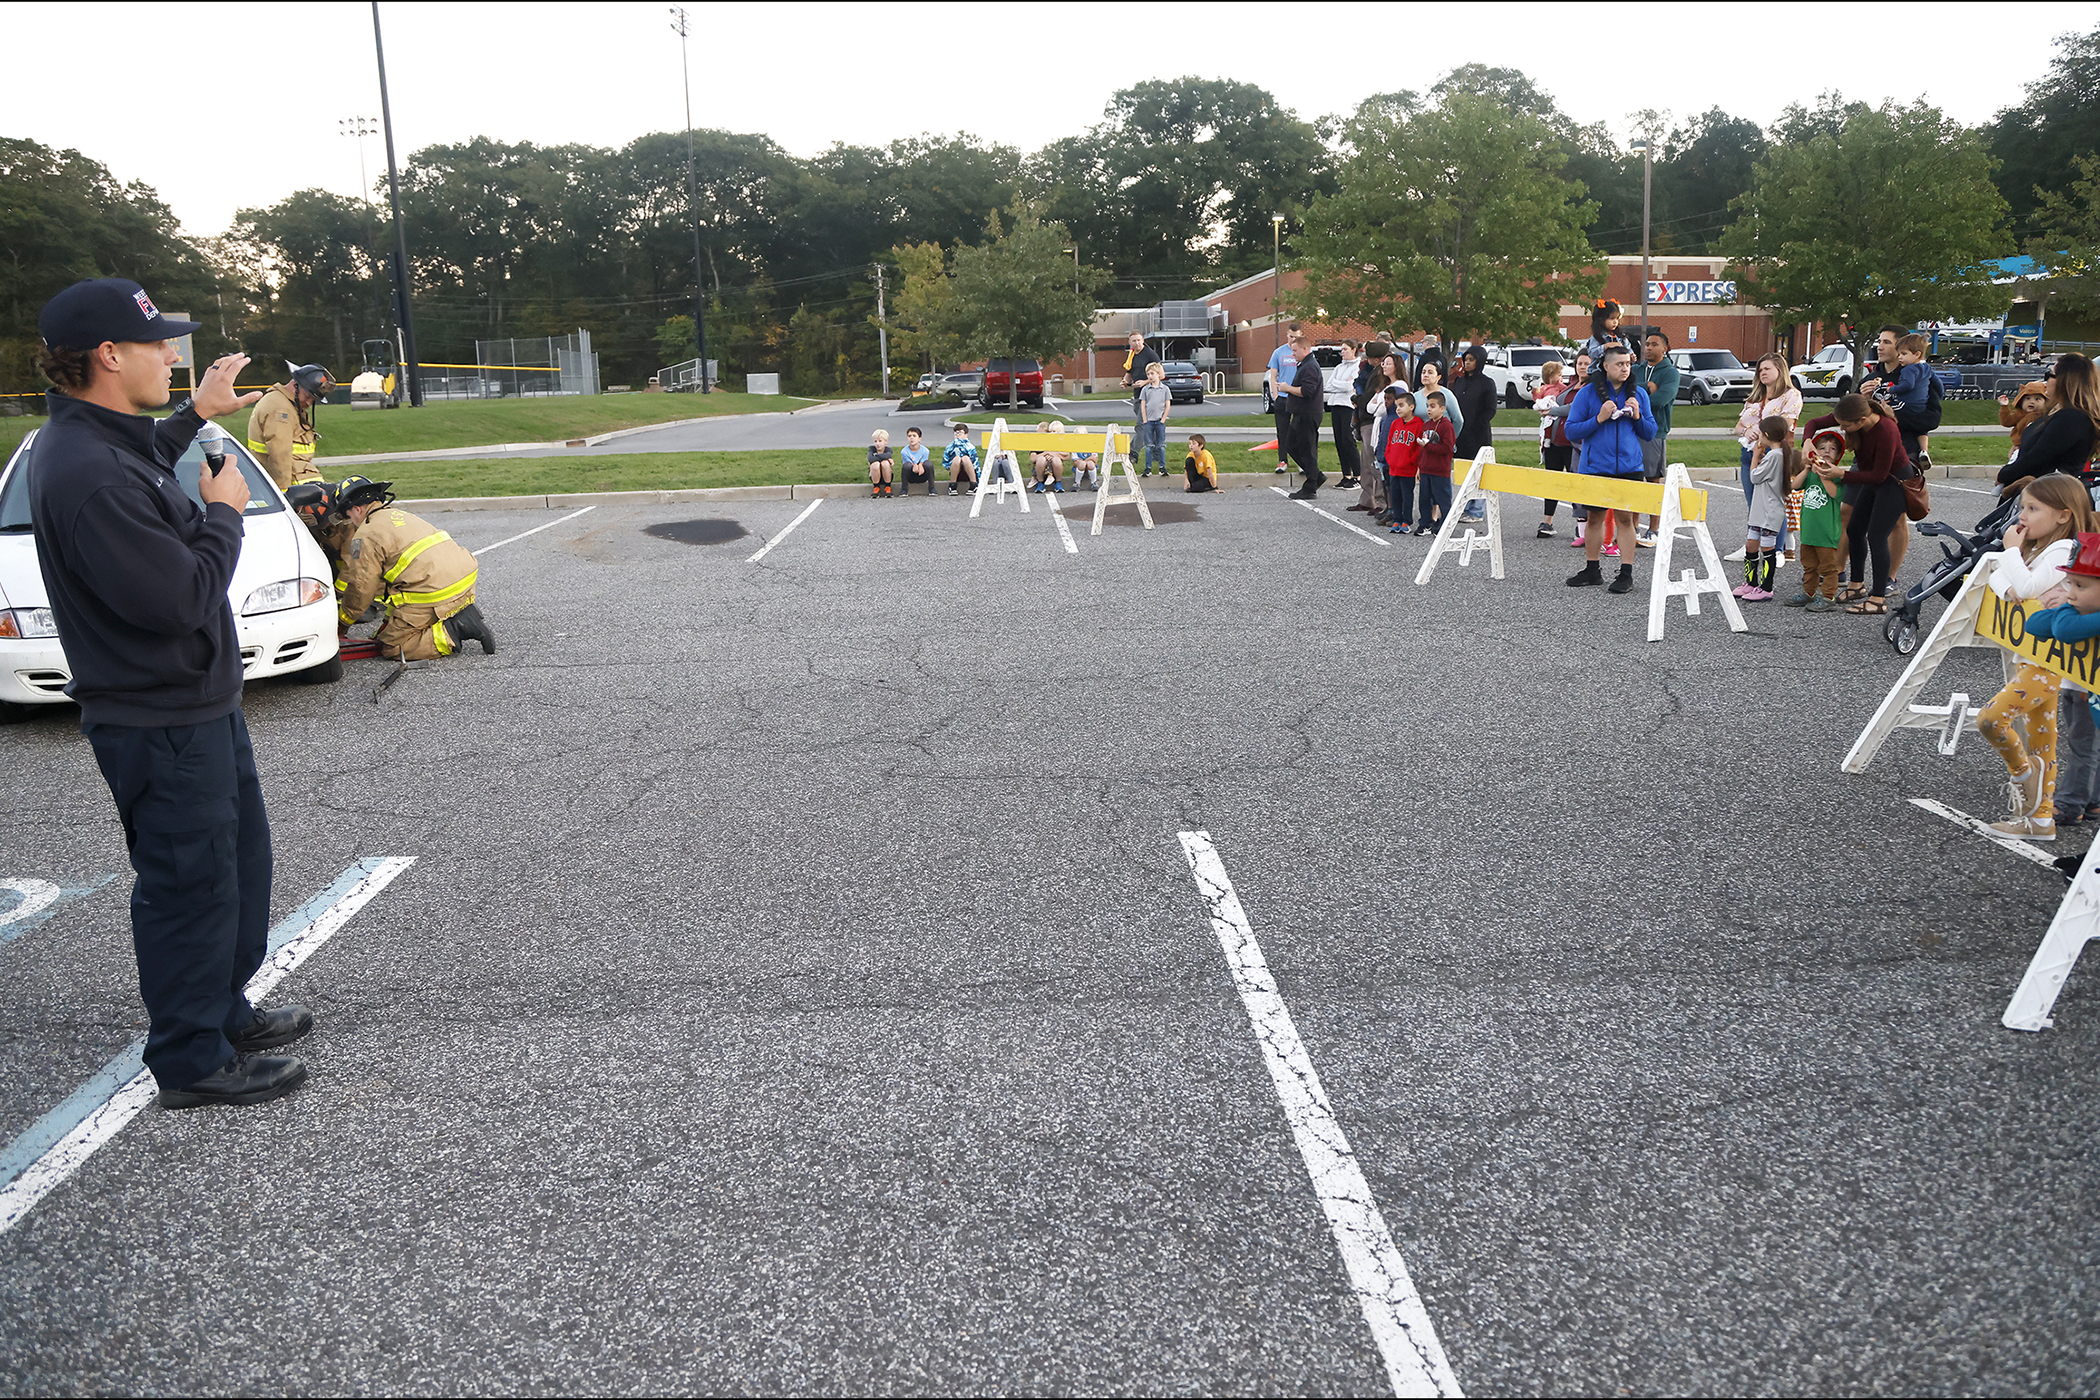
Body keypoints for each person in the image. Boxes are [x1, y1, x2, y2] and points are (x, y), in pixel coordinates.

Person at [26, 276, 310, 1111]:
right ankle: (191, 1059)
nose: (172, 357)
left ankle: (222, 1011)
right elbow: (179, 600)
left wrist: (199, 415)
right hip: (158, 717)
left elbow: (146, 455)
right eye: (158, 346)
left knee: (236, 869)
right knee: (190, 884)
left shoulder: (105, 442)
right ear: (110, 355)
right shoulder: (84, 470)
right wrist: (224, 513)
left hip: (197, 703)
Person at [1974, 476, 2093, 839]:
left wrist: (2011, 552)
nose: (2022, 516)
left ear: (2062, 516)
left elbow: (2022, 587)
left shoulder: (2060, 550)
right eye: (2023, 507)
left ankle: (2025, 777)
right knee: (2043, 738)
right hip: (2035, 656)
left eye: (2032, 508)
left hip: (2049, 661)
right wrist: (2010, 574)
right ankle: (2040, 820)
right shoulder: (2040, 549)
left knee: (1992, 719)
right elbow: (1998, 579)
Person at [334, 476, 495, 660]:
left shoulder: (365, 534)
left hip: (436, 590)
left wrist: (343, 621)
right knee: (393, 623)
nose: (350, 521)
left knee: (394, 647)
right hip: (463, 578)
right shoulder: (399, 515)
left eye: (348, 516)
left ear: (357, 508)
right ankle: (458, 611)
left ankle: (455, 629)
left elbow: (361, 588)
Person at [1803, 392, 1910, 613]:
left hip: (1894, 483)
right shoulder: (1851, 414)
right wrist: (1807, 442)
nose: (1842, 429)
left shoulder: (1886, 430)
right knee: (1854, 529)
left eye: (1845, 426)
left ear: (1861, 421)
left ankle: (1878, 599)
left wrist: (1840, 474)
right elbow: (1813, 423)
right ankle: (1856, 585)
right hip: (1871, 480)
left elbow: (1879, 475)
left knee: (1877, 535)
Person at [1564, 344, 1655, 595]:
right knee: (1595, 517)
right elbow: (1571, 430)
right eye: (1619, 364)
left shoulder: (1638, 394)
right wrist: (1599, 419)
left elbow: (1650, 432)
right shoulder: (1587, 393)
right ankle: (1592, 569)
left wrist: (1637, 416)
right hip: (1596, 466)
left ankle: (1626, 573)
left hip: (1630, 465)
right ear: (1606, 366)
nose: (1625, 368)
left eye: (1628, 364)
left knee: (1625, 518)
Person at [2025, 533, 2100, 827]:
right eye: (2069, 583)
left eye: (2080, 585)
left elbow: (2066, 629)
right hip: (2078, 690)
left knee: (2084, 748)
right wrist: (2065, 607)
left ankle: (2070, 804)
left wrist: (2064, 609)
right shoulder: (2082, 610)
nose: (2070, 592)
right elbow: (2034, 624)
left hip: (2087, 693)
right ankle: (2092, 802)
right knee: (2086, 747)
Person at [1728, 354, 1803, 561]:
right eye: (1760, 369)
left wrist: (1759, 430)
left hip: (1774, 452)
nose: (1763, 373)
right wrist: (1746, 432)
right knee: (1754, 503)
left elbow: (1785, 423)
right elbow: (1738, 426)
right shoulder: (1755, 397)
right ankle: (1752, 545)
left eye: (1767, 369)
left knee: (1774, 501)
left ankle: (1777, 549)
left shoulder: (1791, 395)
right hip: (1750, 452)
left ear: (1780, 370)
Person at [1997, 353, 2099, 495]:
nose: (2044, 382)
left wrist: (2004, 474)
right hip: (2038, 492)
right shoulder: (2055, 412)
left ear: (2063, 381)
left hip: (2050, 496)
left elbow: (2039, 456)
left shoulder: (2072, 418)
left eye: (2048, 375)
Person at [1784, 428, 1848, 612]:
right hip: (1809, 532)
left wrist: (1823, 474)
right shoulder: (1810, 473)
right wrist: (1806, 469)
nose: (1826, 451)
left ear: (1837, 456)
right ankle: (1809, 592)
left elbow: (1834, 494)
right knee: (1809, 566)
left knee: (1828, 568)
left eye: (1832, 449)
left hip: (1827, 533)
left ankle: (1828, 597)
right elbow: (1793, 486)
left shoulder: (1836, 476)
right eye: (1822, 448)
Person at [246, 362, 333, 491]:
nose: (309, 403)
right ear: (295, 385)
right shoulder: (281, 409)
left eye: (313, 400)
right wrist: (284, 491)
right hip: (294, 484)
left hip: (299, 478)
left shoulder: (282, 402)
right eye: (308, 396)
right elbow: (279, 453)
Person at [1735, 416, 1794, 601]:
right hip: (1760, 510)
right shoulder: (1774, 455)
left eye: (1760, 432)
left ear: (1766, 435)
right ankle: (1751, 583)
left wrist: (1755, 456)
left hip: (1769, 511)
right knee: (1751, 544)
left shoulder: (1776, 455)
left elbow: (1754, 477)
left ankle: (1766, 588)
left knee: (1767, 549)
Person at [1634, 331, 1680, 544]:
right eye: (1647, 344)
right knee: (1633, 479)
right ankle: (1632, 527)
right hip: (1632, 429)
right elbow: (1624, 391)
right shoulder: (1636, 370)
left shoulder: (1670, 373)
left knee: (1652, 480)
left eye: (1654, 344)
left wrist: (1638, 397)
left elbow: (1660, 400)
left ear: (1665, 349)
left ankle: (1654, 529)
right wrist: (1647, 389)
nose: (1649, 348)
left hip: (1655, 431)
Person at [1447, 345, 1497, 523]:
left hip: (1478, 434)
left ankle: (1476, 510)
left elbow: (1490, 409)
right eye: (1465, 360)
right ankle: (1464, 506)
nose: (1467, 363)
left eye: (1471, 360)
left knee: (1479, 472)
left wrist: (1477, 423)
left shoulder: (1486, 383)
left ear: (1479, 361)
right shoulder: (1459, 382)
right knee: (1464, 472)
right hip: (1461, 433)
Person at [1282, 333, 1326, 498]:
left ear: (1305, 349)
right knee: (1292, 445)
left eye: (1295, 351)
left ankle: (1310, 486)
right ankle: (1316, 475)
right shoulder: (1305, 365)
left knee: (1306, 449)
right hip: (1301, 413)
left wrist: (1287, 388)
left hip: (1308, 414)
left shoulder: (1310, 367)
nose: (1293, 354)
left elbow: (1307, 391)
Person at [1532, 360, 1568, 537]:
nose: (1561, 379)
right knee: (1552, 480)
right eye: (1559, 375)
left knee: (1574, 481)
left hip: (1569, 440)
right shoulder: (1557, 389)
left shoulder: (1544, 389)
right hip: (1553, 439)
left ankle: (1582, 524)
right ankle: (1547, 520)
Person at [1324, 340, 1365, 489]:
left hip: (1347, 406)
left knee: (1348, 440)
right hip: (1336, 405)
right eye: (1341, 349)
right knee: (1339, 441)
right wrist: (1340, 384)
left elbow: (1350, 387)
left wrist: (1339, 384)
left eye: (1345, 349)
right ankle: (1346, 474)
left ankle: (1358, 475)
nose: (1342, 352)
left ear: (1354, 350)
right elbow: (1328, 385)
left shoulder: (1357, 367)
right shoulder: (1339, 367)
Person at [1414, 390, 1457, 533]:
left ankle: (1445, 524)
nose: (1429, 410)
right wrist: (1420, 467)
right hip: (1426, 469)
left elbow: (1447, 448)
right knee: (1424, 499)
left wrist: (1429, 446)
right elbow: (1422, 451)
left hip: (1440, 470)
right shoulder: (1426, 426)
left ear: (1442, 409)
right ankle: (1426, 523)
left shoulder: (1446, 426)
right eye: (1427, 406)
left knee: (1442, 499)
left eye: (1432, 406)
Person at [1384, 390, 1424, 533]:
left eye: (1401, 405)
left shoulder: (1418, 424)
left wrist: (1411, 461)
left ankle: (1406, 521)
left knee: (1407, 495)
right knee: (1395, 495)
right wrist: (1389, 457)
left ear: (1411, 406)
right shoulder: (1395, 423)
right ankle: (1397, 519)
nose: (1398, 409)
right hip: (1394, 467)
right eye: (1396, 406)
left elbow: (1419, 446)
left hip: (1407, 468)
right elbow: (1390, 442)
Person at [1266, 324, 1304, 476]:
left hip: (1299, 397)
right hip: (1282, 397)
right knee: (1283, 430)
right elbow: (1273, 375)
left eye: (1296, 337)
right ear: (1287, 335)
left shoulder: (1303, 352)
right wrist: (1275, 396)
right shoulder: (1279, 352)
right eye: (1290, 336)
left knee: (1300, 430)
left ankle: (1302, 461)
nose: (1293, 339)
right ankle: (1283, 461)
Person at [1998, 380, 2053, 470]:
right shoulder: (2020, 414)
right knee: (2014, 466)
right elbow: (2007, 421)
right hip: (2020, 447)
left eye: (2037, 399)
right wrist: (2004, 407)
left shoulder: (2045, 416)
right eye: (2028, 399)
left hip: (2037, 448)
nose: (2032, 402)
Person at [1120, 331, 1163, 423]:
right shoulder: (1131, 355)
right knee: (1146, 423)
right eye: (1134, 341)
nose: (1137, 343)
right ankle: (1153, 437)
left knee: (1141, 424)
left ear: (1143, 340)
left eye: (1139, 340)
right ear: (1130, 343)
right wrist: (1124, 382)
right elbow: (1129, 373)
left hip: (1151, 394)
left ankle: (1142, 438)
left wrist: (1145, 382)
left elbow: (1162, 375)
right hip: (1138, 395)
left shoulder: (1150, 354)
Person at [1137, 362, 1171, 477]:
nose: (1150, 376)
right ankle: (1148, 468)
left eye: (1152, 373)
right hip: (1149, 422)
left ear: (1158, 374)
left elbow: (1167, 405)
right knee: (1148, 446)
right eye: (1148, 374)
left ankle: (1162, 467)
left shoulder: (1165, 389)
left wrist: (1163, 419)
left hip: (1159, 421)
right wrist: (1145, 420)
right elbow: (1143, 405)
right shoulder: (1146, 390)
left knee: (1161, 445)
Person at [1029, 424, 1067, 493]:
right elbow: (1032, 458)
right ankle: (1040, 483)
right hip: (1040, 467)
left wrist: (1054, 454)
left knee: (1056, 460)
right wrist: (1044, 454)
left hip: (1053, 467)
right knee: (1041, 459)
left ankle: (1058, 482)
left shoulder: (1055, 442)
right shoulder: (1037, 443)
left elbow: (1067, 455)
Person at [943, 424, 979, 495]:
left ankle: (973, 485)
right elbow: (945, 461)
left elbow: (975, 464)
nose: (958, 435)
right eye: (956, 433)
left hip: (969, 473)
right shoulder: (950, 447)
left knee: (965, 458)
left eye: (960, 433)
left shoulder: (970, 447)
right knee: (957, 458)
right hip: (955, 473)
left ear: (966, 435)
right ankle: (953, 486)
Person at [899, 426, 933, 496]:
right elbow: (909, 463)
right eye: (909, 436)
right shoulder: (904, 451)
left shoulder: (925, 450)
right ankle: (904, 489)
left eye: (914, 436)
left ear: (919, 439)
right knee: (906, 465)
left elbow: (923, 461)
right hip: (911, 475)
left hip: (922, 473)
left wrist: (920, 464)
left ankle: (932, 488)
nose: (911, 438)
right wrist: (915, 465)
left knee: (929, 464)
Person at [867, 428, 895, 498]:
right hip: (875, 474)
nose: (878, 444)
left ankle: (888, 487)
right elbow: (870, 458)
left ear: (885, 442)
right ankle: (876, 487)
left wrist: (876, 456)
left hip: (887, 475)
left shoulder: (888, 450)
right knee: (875, 464)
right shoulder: (871, 449)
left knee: (885, 463)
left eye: (880, 441)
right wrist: (885, 458)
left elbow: (888, 455)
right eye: (875, 441)